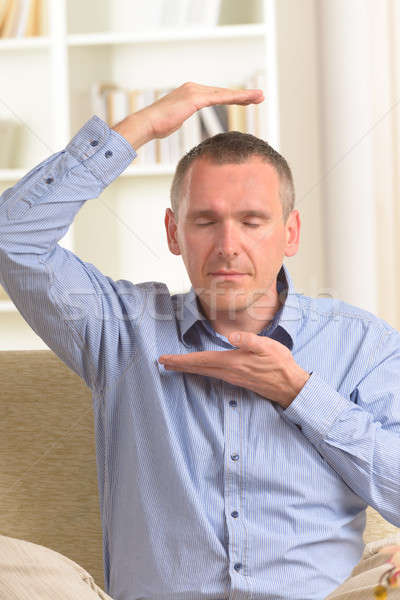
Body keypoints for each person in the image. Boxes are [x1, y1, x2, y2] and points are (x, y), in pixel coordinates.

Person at [0, 82, 399, 600]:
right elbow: (13, 238)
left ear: (290, 232)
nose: (228, 246)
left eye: (252, 221)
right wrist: (140, 127)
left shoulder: (361, 342)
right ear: (173, 232)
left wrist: (301, 393)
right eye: (205, 221)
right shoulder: (121, 328)